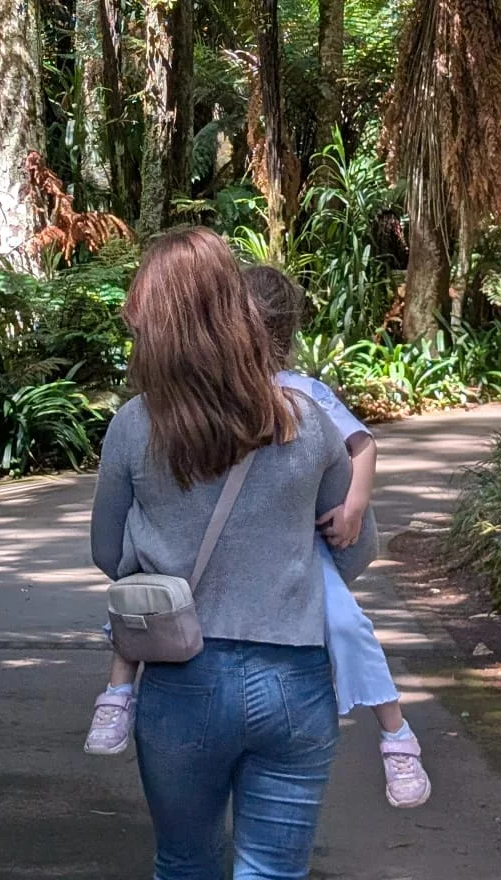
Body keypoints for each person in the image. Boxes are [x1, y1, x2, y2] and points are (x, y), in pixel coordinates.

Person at [88, 225, 378, 880]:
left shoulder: (135, 424)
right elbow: (356, 548)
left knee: (185, 863)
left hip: (181, 677)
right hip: (294, 679)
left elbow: (107, 552)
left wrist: (159, 550)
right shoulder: (304, 419)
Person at [243, 263, 431, 808]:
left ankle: (396, 735)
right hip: (240, 546)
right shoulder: (214, 391)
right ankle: (122, 688)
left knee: (346, 622)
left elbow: (362, 444)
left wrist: (353, 507)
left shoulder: (304, 391)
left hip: (300, 544)